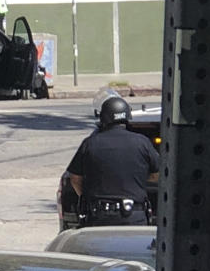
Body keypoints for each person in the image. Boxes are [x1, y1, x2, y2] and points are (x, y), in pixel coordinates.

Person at [66, 95, 159, 226]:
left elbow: (75, 178)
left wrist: (86, 197)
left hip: (99, 217)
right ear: (127, 116)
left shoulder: (90, 143)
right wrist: (136, 178)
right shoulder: (142, 142)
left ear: (104, 118)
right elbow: (158, 175)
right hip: (134, 216)